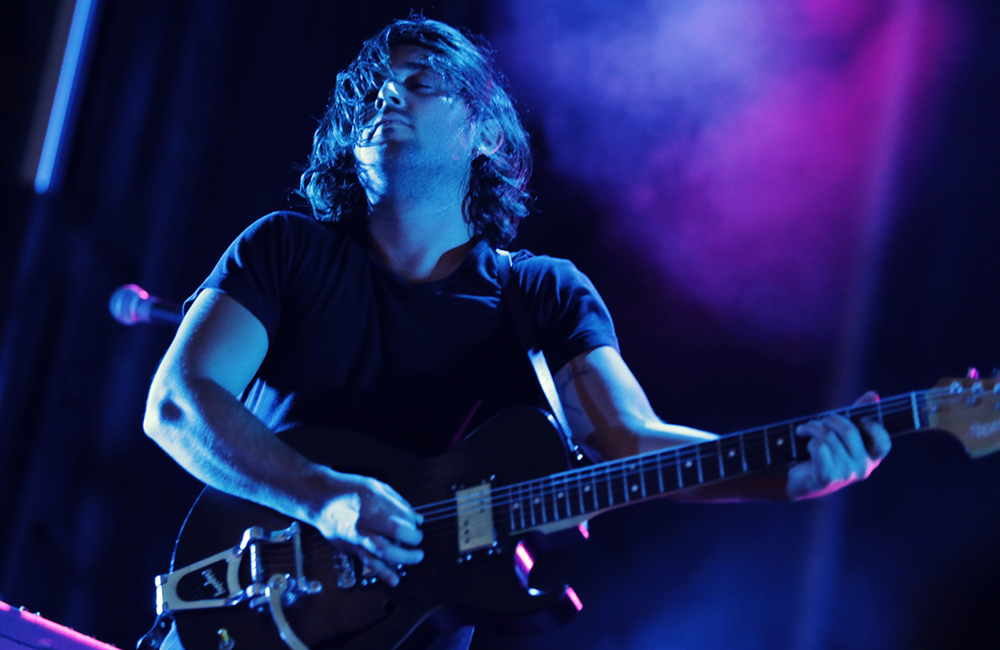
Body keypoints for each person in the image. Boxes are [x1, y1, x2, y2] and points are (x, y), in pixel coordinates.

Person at [143, 16, 891, 650]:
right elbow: (176, 404)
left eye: (419, 82)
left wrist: (781, 475)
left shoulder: (543, 293)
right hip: (253, 607)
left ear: (480, 131)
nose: (386, 97)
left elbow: (628, 443)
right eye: (374, 89)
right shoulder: (284, 249)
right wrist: (325, 499)